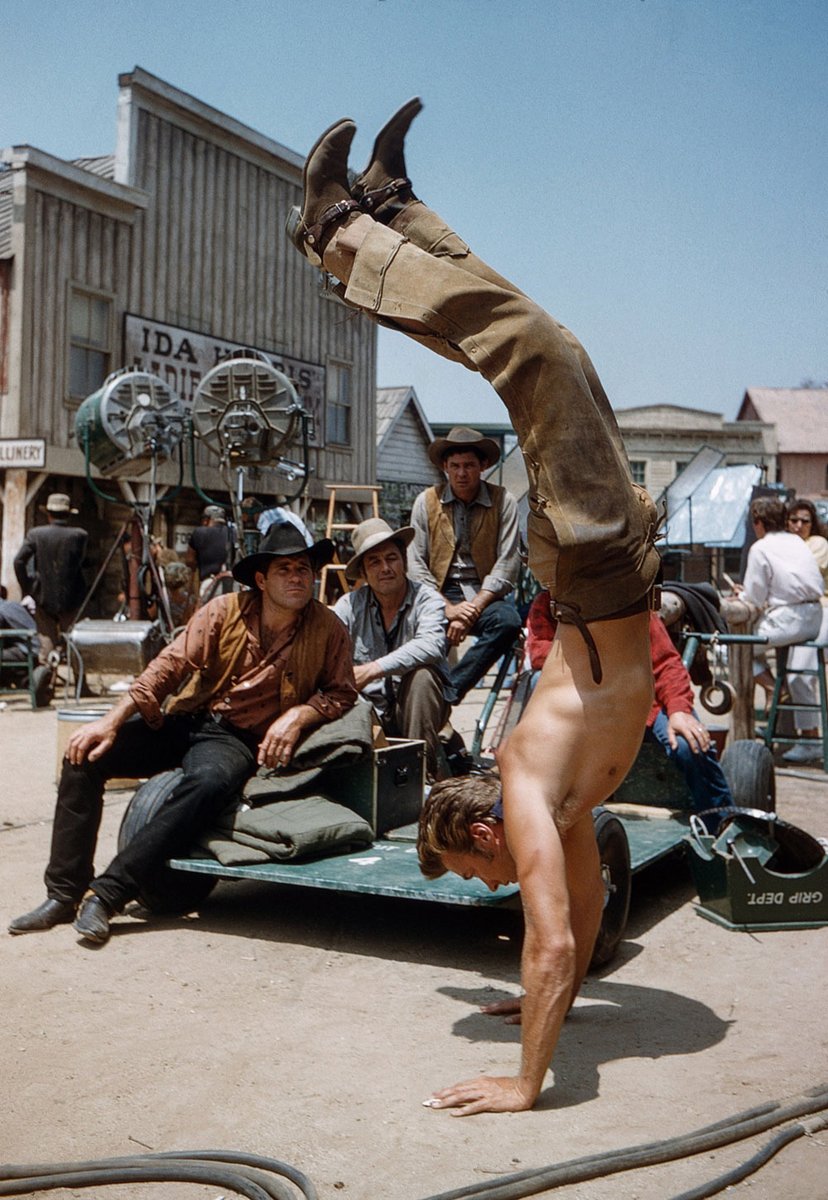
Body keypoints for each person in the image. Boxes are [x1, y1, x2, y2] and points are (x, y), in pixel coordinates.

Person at [287, 100, 661, 1114]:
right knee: (550, 350)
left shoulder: (531, 789)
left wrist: (523, 1079)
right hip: (612, 574)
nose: (478, 890)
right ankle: (398, 217)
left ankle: (342, 231)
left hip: (593, 577)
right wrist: (546, 1019)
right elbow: (571, 937)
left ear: (484, 833)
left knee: (536, 352)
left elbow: (543, 941)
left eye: (464, 873)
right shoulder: (564, 809)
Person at [8, 524, 357, 945]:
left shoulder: (328, 628)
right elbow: (167, 667)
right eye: (286, 569)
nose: (299, 577)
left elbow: (342, 693)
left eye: (304, 568)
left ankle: (109, 893)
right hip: (188, 716)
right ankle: (63, 894)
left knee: (207, 784)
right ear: (262, 579)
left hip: (235, 739)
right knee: (85, 754)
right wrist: (110, 722)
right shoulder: (224, 611)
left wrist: (300, 714)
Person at [526, 591, 732, 809]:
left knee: (688, 745)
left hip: (642, 701)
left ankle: (722, 821)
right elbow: (540, 655)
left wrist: (678, 710)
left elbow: (665, 662)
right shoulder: (549, 602)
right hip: (586, 707)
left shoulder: (628, 596)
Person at [333, 517, 455, 781]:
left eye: (392, 558)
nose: (385, 568)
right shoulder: (349, 605)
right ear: (364, 573)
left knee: (423, 676)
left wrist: (372, 670)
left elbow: (432, 644)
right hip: (368, 712)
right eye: (374, 562)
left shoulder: (427, 598)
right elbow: (327, 653)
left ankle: (419, 776)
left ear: (404, 562)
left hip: (418, 710)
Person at [406, 426, 522, 700]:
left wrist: (470, 611)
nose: (461, 473)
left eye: (469, 465)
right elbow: (415, 565)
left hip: (484, 595)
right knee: (418, 636)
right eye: (455, 466)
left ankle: (451, 690)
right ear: (445, 467)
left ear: (482, 466)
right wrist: (448, 609)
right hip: (438, 595)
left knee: (508, 622)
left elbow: (507, 564)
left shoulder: (503, 501)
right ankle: (412, 701)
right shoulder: (426, 502)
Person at [735, 496, 823, 723]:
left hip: (789, 621)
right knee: (754, 647)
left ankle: (773, 687)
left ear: (759, 523)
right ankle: (776, 689)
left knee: (733, 646)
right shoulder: (796, 542)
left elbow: (754, 597)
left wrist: (741, 595)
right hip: (814, 619)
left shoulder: (761, 548)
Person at [13, 492, 88, 664]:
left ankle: (45, 684)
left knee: (46, 641)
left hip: (43, 597)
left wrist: (29, 588)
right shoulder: (79, 535)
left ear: (48, 514)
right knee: (73, 640)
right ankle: (79, 683)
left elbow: (18, 561)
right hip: (71, 598)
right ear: (68, 514)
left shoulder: (36, 534)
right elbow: (81, 562)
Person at [781, 499, 828, 762]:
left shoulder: (818, 545)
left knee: (800, 674)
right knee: (749, 650)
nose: (799, 525)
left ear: (813, 524)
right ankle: (774, 691)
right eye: (794, 520)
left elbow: (800, 578)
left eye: (805, 521)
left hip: (822, 610)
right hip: (797, 613)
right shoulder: (785, 546)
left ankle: (810, 737)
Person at [186, 504, 235, 603]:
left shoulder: (199, 532)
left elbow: (190, 560)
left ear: (206, 519)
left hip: (208, 584)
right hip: (232, 584)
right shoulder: (233, 533)